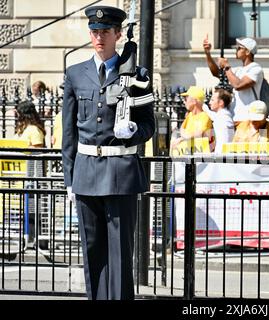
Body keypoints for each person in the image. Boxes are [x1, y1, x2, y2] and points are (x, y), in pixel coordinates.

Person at [62, 5, 155, 300]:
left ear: (118, 34)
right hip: (86, 171)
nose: (99, 37)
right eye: (95, 32)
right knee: (92, 251)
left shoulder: (137, 74)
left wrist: (134, 133)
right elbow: (69, 133)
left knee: (120, 254)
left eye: (105, 32)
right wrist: (69, 178)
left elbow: (148, 125)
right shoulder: (76, 74)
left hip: (121, 172)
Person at [203, 35, 264, 122]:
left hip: (248, 119)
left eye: (239, 48)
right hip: (235, 118)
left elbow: (238, 85)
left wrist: (227, 66)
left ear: (247, 52)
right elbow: (216, 73)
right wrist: (208, 54)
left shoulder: (256, 69)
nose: (236, 50)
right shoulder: (238, 70)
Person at [170, 86, 213, 151]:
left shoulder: (205, 116)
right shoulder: (189, 115)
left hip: (200, 155)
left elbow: (199, 133)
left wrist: (182, 139)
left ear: (194, 101)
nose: (184, 102)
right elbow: (182, 129)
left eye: (186, 99)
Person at [202, 88, 234, 154]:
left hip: (223, 156)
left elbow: (225, 141)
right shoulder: (222, 116)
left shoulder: (223, 117)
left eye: (212, 100)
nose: (210, 102)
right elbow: (212, 115)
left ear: (221, 103)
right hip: (222, 154)